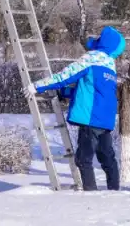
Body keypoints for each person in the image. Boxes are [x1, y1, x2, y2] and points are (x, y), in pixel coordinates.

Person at [30, 27, 125, 191]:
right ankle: (114, 192)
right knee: (107, 157)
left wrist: (38, 86)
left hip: (91, 118)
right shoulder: (110, 65)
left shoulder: (91, 59)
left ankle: (90, 193)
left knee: (83, 159)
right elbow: (91, 89)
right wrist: (65, 93)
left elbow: (65, 76)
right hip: (106, 119)